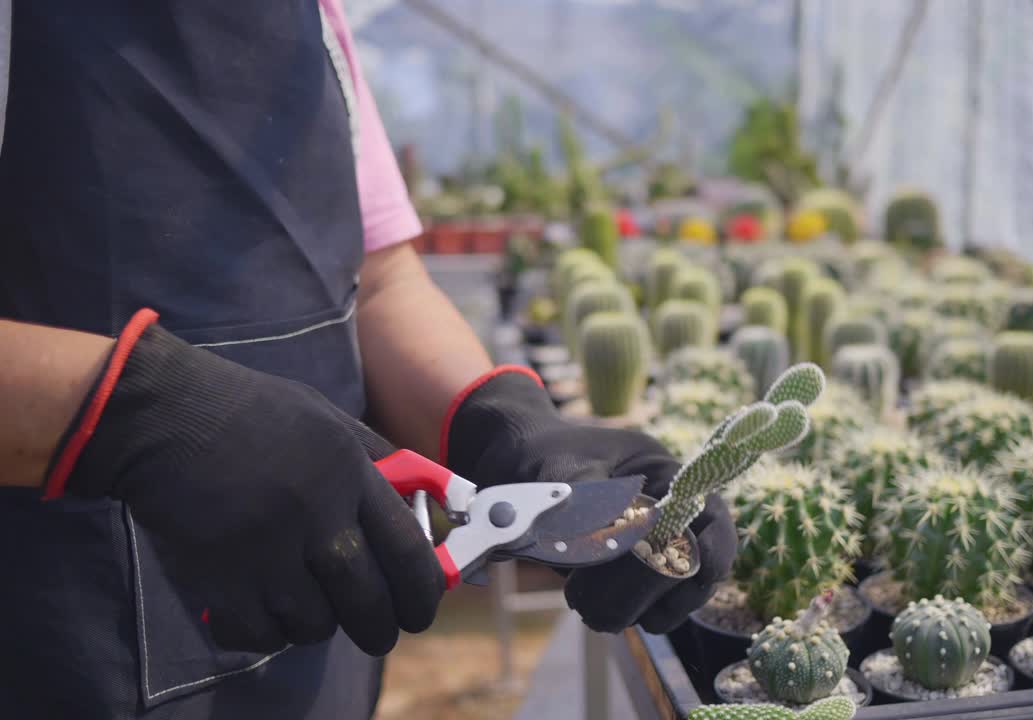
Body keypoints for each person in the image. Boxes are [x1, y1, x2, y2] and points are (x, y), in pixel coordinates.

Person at [0, 2, 736, 718]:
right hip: (60, 641)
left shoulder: (313, 15)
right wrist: (139, 416)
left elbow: (381, 280)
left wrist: (501, 422)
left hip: (325, 635)